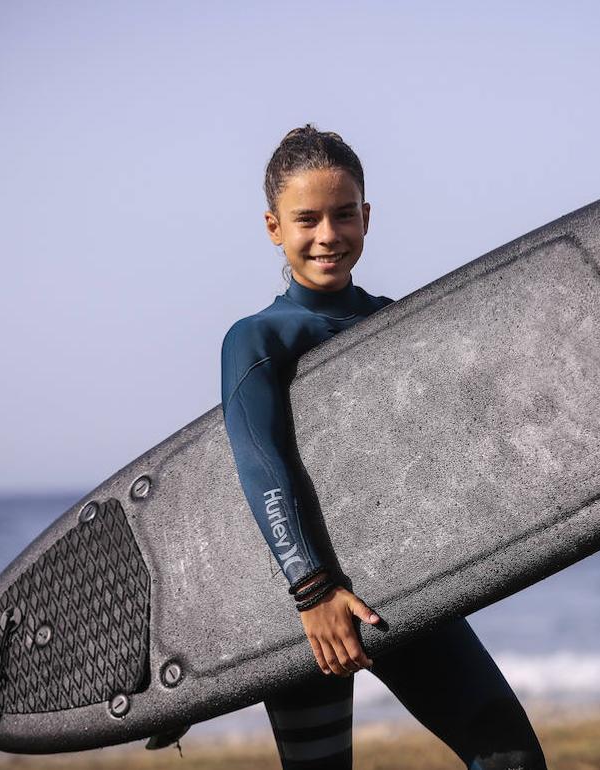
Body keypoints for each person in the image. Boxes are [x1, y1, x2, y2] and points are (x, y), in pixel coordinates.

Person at [220, 125, 546, 770]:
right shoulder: (257, 339)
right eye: (306, 218)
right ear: (272, 227)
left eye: (344, 215)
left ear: (366, 217)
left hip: (394, 587)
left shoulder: (396, 323)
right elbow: (262, 466)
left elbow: (437, 457)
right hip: (298, 603)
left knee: (510, 756)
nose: (328, 235)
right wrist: (313, 593)